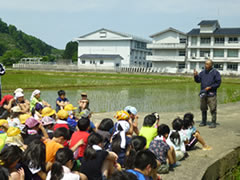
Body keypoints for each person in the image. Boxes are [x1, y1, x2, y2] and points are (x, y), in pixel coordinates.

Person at [194, 59, 221, 128]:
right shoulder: (202, 72)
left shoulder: (215, 73)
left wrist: (210, 87)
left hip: (211, 94)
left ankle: (213, 122)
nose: (206, 65)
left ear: (211, 65)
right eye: (205, 64)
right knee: (203, 108)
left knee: (213, 108)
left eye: (207, 64)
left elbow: (218, 83)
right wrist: (196, 76)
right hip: (203, 93)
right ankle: (203, 121)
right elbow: (198, 81)